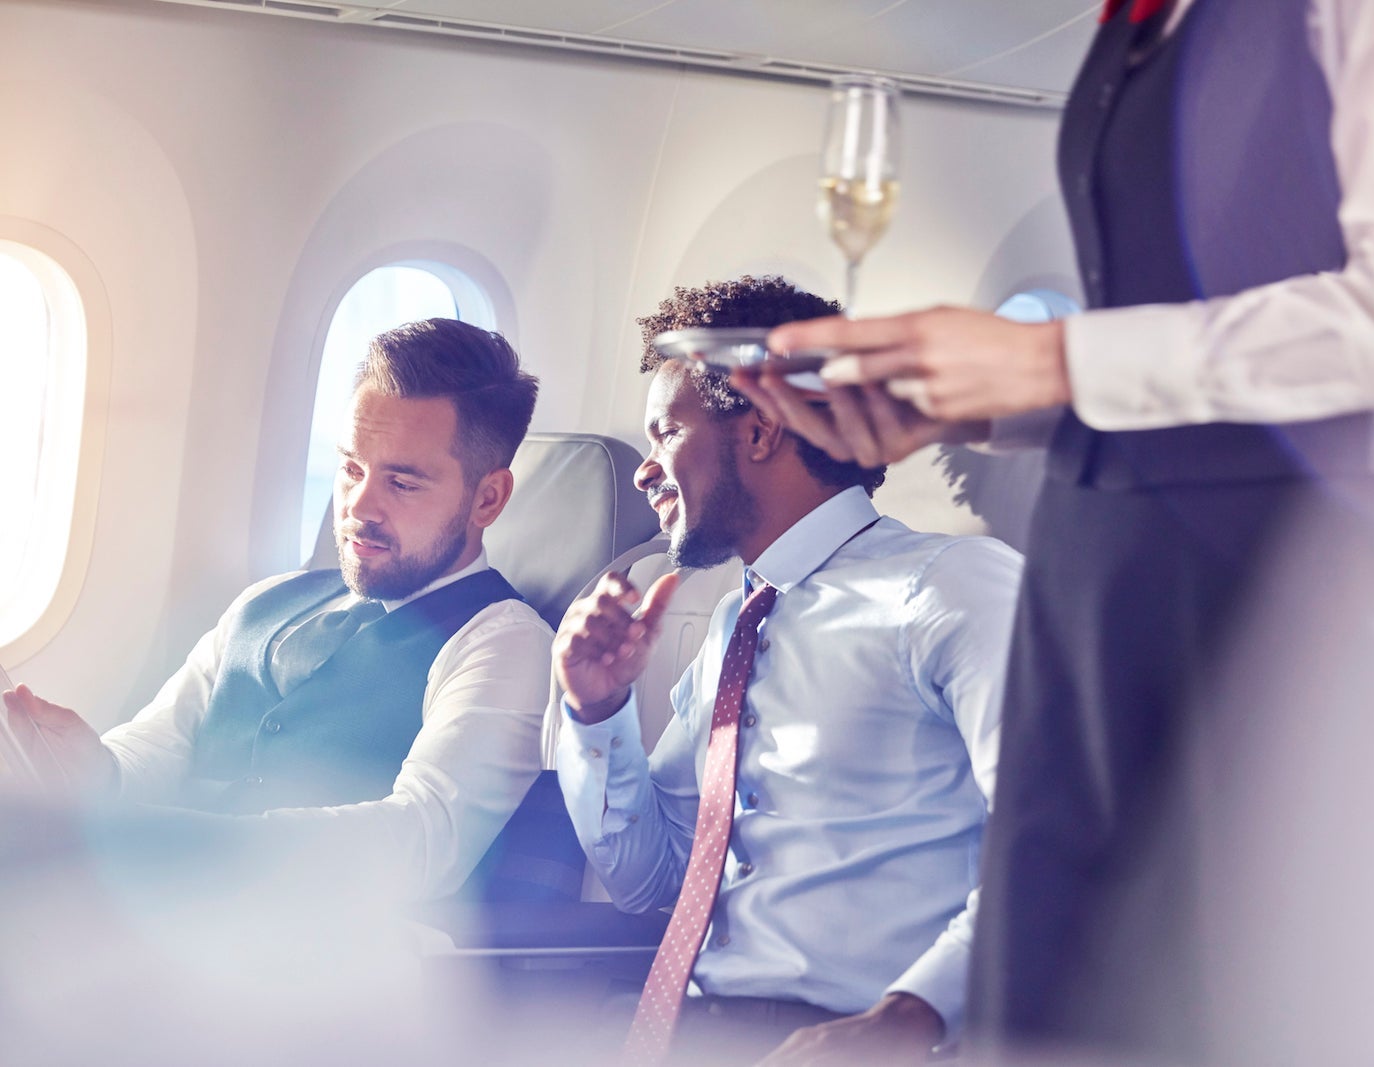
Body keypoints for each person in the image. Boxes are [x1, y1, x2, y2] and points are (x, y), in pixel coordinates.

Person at [738, 0, 1374, 1061]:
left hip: (1292, 580)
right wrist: (975, 403)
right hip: (1100, 573)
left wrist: (1051, 358)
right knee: (1045, 1003)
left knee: (1238, 1009)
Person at [551, 276, 1022, 1065]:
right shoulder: (734, 621)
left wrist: (908, 1018)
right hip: (687, 1033)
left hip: (861, 1035)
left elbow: (1048, 834)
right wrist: (596, 712)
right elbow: (650, 879)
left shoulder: (948, 586)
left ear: (762, 430)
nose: (643, 470)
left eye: (667, 432)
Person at [2, 317, 557, 902]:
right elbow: (164, 742)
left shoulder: (504, 643)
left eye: (402, 483)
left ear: (488, 498)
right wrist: (94, 771)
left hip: (309, 942)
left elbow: (421, 841)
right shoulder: (266, 602)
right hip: (163, 908)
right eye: (352, 469)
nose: (358, 506)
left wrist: (169, 845)